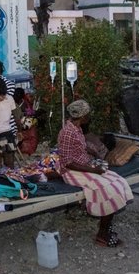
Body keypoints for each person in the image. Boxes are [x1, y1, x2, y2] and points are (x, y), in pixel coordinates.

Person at [56, 99, 133, 248]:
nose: (89, 117)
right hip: (72, 171)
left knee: (118, 181)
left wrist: (92, 151)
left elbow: (79, 146)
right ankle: (102, 234)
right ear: (82, 116)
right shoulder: (67, 132)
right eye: (88, 114)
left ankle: (106, 227)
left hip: (84, 165)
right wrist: (93, 170)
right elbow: (67, 163)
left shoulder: (76, 128)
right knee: (108, 189)